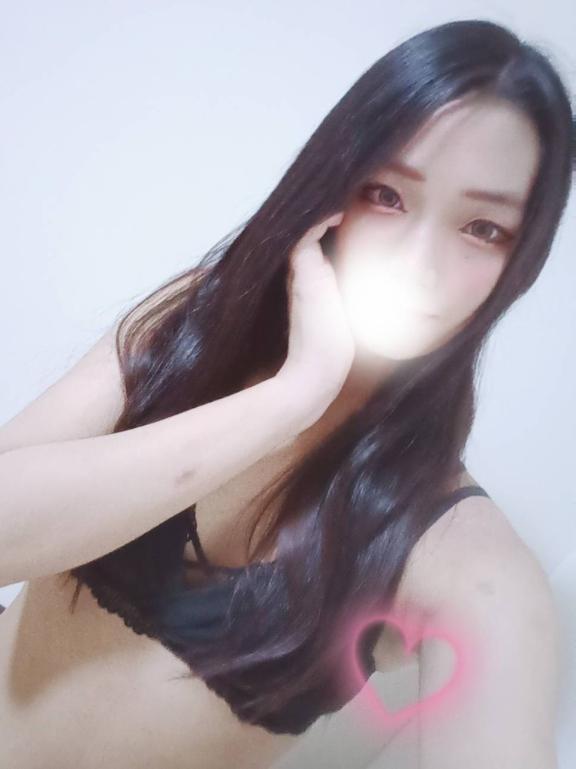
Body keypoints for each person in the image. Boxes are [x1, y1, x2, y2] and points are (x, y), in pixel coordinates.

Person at [0, 18, 572, 769]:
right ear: (330, 187)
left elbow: (501, 647)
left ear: (519, 263)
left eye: (482, 229)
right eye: (387, 195)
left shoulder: (457, 552)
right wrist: (290, 399)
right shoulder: (194, 326)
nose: (420, 264)